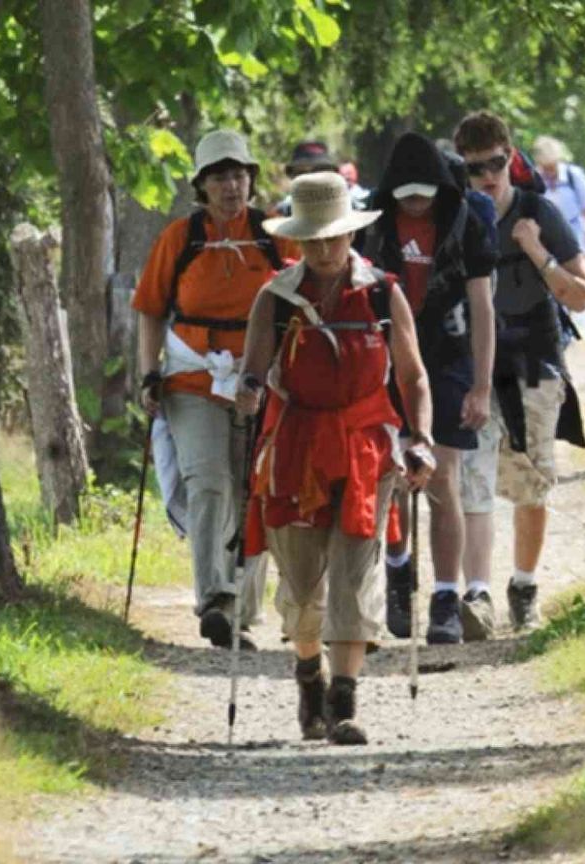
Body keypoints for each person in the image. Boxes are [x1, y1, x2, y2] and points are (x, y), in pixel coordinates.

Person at [236, 171, 437, 745]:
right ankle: (309, 678)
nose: (324, 250)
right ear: (297, 239)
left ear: (350, 235)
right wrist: (248, 392)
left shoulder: (381, 292)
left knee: (356, 572)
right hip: (296, 448)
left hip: (364, 448)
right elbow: (254, 368)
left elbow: (413, 374)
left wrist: (419, 438)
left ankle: (344, 703)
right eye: (313, 239)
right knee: (302, 587)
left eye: (334, 238)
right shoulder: (275, 297)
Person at [133, 128, 299, 649]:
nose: (232, 186)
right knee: (208, 480)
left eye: (239, 174)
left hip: (259, 378)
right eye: (220, 177)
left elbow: (303, 298)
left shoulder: (275, 235)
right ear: (202, 186)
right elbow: (150, 309)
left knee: (253, 488)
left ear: (251, 179)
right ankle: (215, 599)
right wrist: (148, 372)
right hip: (191, 379)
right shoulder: (180, 239)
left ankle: (243, 609)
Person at [453, 112, 585, 635]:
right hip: (472, 367)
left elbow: (581, 296)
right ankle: (476, 595)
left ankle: (523, 586)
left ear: (511, 157)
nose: (488, 175)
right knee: (472, 481)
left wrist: (536, 252)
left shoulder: (541, 212)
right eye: (475, 168)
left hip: (535, 362)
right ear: (463, 171)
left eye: (496, 162)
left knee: (531, 483)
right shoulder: (459, 217)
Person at [356, 133, 497, 643]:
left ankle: (444, 596)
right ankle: (398, 567)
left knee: (442, 478)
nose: (416, 201)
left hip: (448, 358)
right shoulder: (371, 228)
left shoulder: (466, 223)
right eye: (407, 192)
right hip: (385, 359)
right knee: (390, 476)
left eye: (425, 191)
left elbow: (483, 307)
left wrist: (481, 386)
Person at [531, 135, 585, 255]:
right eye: (545, 167)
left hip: (575, 238)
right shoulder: (534, 179)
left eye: (552, 167)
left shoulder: (573, 175)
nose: (549, 172)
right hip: (546, 242)